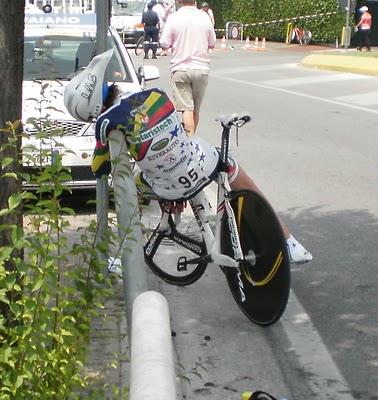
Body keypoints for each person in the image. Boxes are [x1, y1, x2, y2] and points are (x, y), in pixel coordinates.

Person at [63, 49, 313, 264]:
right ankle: (290, 243)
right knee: (233, 168)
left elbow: (99, 167)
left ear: (92, 109)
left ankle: (125, 257)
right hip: (201, 165)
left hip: (165, 186)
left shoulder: (106, 122)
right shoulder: (156, 94)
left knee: (133, 190)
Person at [159, 0, 216, 137]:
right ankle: (193, 141)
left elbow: (164, 42)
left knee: (186, 110)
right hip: (202, 68)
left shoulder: (174, 18)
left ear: (179, 1)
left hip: (181, 68)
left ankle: (189, 143)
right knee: (195, 110)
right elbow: (212, 42)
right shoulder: (204, 17)